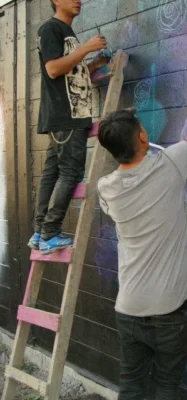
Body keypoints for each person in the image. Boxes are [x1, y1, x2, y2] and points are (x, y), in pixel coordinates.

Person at [97, 68, 187, 400]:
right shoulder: (171, 164)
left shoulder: (105, 188)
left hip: (129, 308)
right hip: (169, 312)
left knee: (132, 388)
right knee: (166, 387)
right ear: (142, 137)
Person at [28, 0, 109, 254]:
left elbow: (70, 72)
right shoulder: (50, 28)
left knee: (52, 174)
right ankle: (50, 232)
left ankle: (40, 232)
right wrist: (86, 48)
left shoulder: (65, 32)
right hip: (68, 116)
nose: (78, 0)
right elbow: (53, 69)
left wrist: (94, 64)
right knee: (71, 173)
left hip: (65, 117)